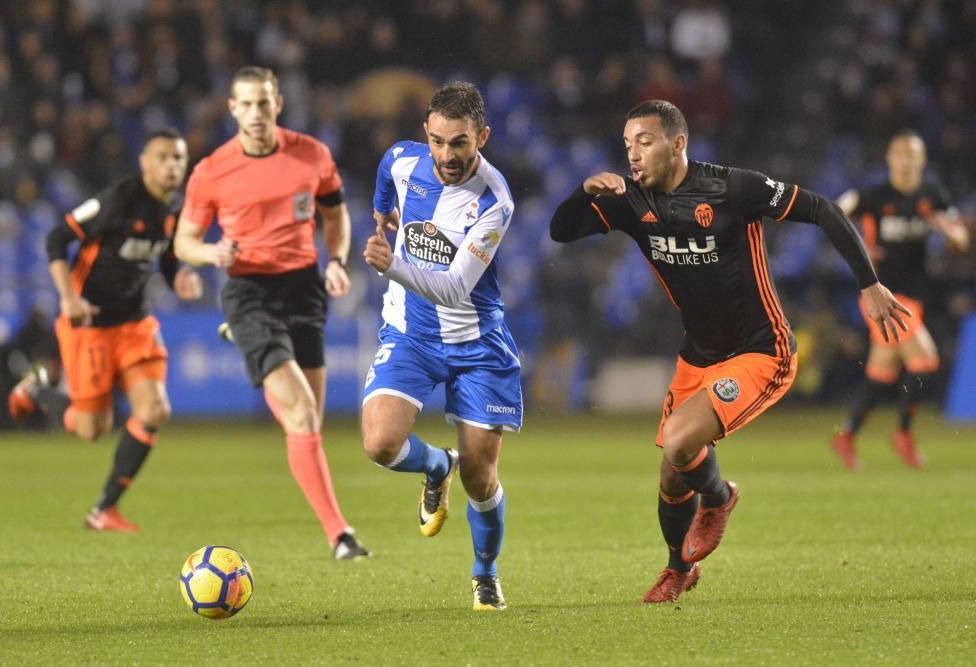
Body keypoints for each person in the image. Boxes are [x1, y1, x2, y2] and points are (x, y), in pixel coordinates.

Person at [549, 100, 908, 603]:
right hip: (697, 356)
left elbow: (823, 209)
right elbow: (561, 230)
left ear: (678, 144)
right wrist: (581, 191)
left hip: (761, 350)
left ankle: (720, 498)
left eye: (644, 142)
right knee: (672, 477)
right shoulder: (630, 201)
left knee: (678, 442)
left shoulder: (730, 187)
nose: (632, 154)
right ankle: (678, 569)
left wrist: (869, 284)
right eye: (627, 143)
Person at [173, 66, 370, 561]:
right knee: (301, 412)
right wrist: (210, 254)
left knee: (308, 424)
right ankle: (340, 535)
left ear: (277, 104)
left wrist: (338, 262)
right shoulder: (212, 170)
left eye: (264, 103)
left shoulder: (312, 155)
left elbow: (334, 214)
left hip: (303, 287)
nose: (256, 113)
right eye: (247, 104)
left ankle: (251, 347)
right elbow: (184, 241)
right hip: (248, 290)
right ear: (232, 109)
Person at [361, 82, 521, 611]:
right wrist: (383, 214)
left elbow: (455, 287)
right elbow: (386, 172)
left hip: (476, 344)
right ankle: (435, 466)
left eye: (459, 143)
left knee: (481, 476)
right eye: (437, 141)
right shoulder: (405, 161)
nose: (446, 156)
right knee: (380, 444)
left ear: (483, 137)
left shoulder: (493, 201)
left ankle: (485, 574)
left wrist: (393, 264)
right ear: (424, 136)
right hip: (410, 333)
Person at [8, 128, 202, 532]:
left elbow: (164, 256)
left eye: (178, 159)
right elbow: (56, 239)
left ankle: (104, 509)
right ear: (145, 162)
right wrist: (68, 298)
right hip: (89, 322)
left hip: (134, 321)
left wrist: (178, 276)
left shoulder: (177, 207)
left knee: (155, 410)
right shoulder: (117, 200)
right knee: (90, 428)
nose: (171, 166)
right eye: (163, 157)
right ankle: (35, 391)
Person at [831, 130, 969, 471]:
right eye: (900, 154)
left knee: (881, 373)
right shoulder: (874, 195)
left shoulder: (932, 194)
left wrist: (950, 232)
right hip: (881, 295)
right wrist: (859, 245)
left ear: (922, 161)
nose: (906, 161)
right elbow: (835, 210)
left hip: (916, 294)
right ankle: (903, 435)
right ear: (890, 158)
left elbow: (961, 241)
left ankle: (847, 436)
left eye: (913, 155)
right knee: (924, 361)